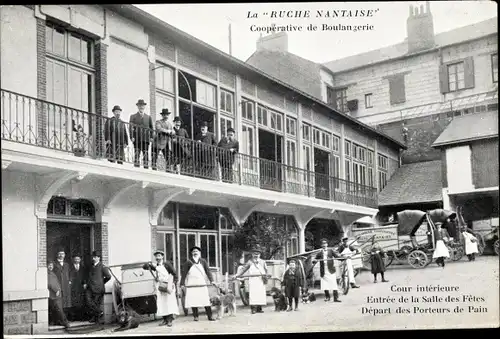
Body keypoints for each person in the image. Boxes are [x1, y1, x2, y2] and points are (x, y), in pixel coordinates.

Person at [143, 251, 179, 327]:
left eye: (159, 256)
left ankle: (170, 320)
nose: (157, 258)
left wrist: (173, 283)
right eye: (156, 256)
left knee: (169, 302)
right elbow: (145, 267)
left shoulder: (167, 264)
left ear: (162, 257)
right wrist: (147, 264)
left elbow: (175, 274)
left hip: (168, 285)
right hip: (160, 286)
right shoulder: (156, 266)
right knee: (161, 303)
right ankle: (165, 320)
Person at [180, 246, 217, 322]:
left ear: (199, 253)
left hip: (201, 282)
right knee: (194, 299)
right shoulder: (188, 262)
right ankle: (195, 316)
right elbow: (184, 273)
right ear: (191, 253)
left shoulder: (203, 261)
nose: (195, 252)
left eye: (196, 251)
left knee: (205, 299)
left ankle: (210, 316)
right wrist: (182, 284)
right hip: (192, 283)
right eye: (193, 251)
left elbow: (208, 271)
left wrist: (212, 281)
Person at [233, 245, 269, 314]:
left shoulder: (263, 262)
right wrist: (237, 275)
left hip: (261, 280)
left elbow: (266, 270)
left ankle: (259, 308)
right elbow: (243, 269)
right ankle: (253, 309)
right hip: (253, 280)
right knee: (253, 294)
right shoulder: (250, 262)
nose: (256, 256)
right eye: (254, 254)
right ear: (252, 255)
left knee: (260, 294)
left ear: (260, 255)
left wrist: (266, 276)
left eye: (257, 254)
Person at [85, 251, 111, 324]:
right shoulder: (90, 266)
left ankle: (96, 319)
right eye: (92, 257)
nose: (93, 258)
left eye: (95, 257)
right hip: (89, 287)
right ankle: (99, 312)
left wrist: (102, 282)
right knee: (88, 301)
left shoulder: (102, 266)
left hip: (98, 289)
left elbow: (109, 276)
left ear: (99, 258)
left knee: (96, 304)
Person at [129, 99, 154, 169]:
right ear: (137, 106)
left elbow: (151, 128)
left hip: (146, 139)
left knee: (145, 153)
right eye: (140, 105)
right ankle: (136, 167)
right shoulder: (133, 116)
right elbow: (130, 127)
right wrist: (132, 137)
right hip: (137, 138)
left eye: (142, 105)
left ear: (144, 106)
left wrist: (151, 137)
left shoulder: (148, 117)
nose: (141, 107)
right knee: (137, 153)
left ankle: (146, 167)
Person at [48, 261, 70, 329]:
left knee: (55, 308)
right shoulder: (47, 274)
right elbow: (50, 283)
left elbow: (56, 282)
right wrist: (56, 290)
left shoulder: (52, 273)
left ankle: (56, 322)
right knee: (59, 308)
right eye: (49, 265)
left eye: (51, 265)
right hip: (53, 294)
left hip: (57, 293)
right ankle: (65, 322)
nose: (51, 266)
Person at [53, 249, 72, 317]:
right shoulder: (54, 264)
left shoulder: (67, 264)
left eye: (62, 254)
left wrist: (70, 280)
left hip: (66, 285)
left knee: (66, 302)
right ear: (57, 255)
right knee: (59, 302)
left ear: (64, 255)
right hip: (58, 285)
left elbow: (70, 273)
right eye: (59, 254)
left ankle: (65, 317)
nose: (61, 255)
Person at [69, 254, 87, 321]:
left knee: (81, 302)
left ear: (80, 260)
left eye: (78, 259)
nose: (77, 260)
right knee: (73, 302)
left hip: (80, 287)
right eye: (75, 259)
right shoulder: (70, 267)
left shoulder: (82, 267)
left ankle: (80, 317)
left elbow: (84, 276)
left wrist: (84, 283)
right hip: (73, 287)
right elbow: (69, 275)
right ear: (73, 259)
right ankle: (73, 318)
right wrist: (70, 281)